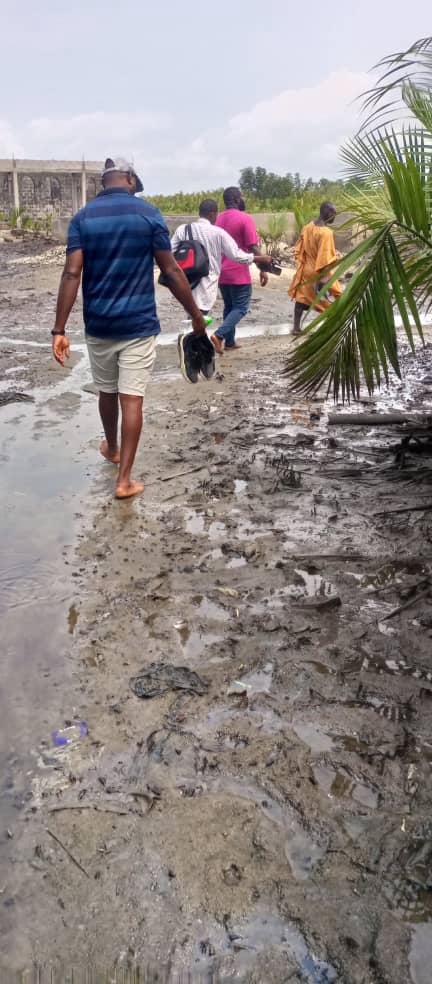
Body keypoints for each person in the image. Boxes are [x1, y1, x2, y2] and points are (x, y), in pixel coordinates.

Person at [52, 156, 207, 499]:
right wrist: (195, 315)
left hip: (99, 324)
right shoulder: (148, 214)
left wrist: (59, 329)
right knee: (132, 399)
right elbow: (171, 271)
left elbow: (71, 273)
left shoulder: (82, 218)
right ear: (131, 181)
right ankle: (124, 481)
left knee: (107, 391)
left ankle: (112, 447)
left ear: (103, 183)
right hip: (138, 324)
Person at [171, 198, 272, 318]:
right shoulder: (218, 233)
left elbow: (170, 251)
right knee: (200, 316)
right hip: (207, 282)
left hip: (186, 279)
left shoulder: (183, 229)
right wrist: (261, 259)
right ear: (213, 214)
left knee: (193, 314)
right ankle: (197, 335)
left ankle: (192, 334)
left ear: (200, 213)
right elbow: (237, 256)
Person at [211, 187, 269, 354]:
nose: (243, 199)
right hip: (238, 271)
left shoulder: (218, 219)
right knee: (241, 307)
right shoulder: (245, 219)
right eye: (242, 196)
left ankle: (229, 342)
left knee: (229, 307)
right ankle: (219, 335)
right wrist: (264, 269)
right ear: (237, 199)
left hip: (222, 271)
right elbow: (253, 248)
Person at [288, 201, 342, 335]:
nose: (335, 217)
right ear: (328, 213)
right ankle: (334, 328)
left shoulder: (307, 227)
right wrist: (323, 277)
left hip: (306, 270)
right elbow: (324, 257)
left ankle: (296, 328)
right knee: (335, 299)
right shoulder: (326, 233)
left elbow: (300, 248)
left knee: (301, 299)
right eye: (334, 213)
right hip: (319, 272)